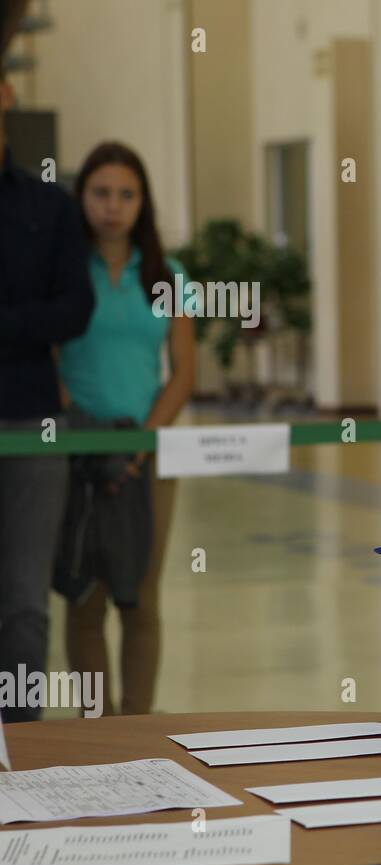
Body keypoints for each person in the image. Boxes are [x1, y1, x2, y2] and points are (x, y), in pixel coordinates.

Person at [59, 142, 195, 715]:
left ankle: (136, 724)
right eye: (100, 193)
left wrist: (140, 446)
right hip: (76, 450)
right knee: (85, 596)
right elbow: (45, 356)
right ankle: (96, 729)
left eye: (126, 194)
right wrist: (83, 428)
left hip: (150, 455)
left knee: (140, 598)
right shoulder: (61, 267)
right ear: (82, 197)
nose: (113, 207)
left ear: (143, 202)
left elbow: (185, 372)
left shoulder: (168, 275)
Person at [0, 0, 95, 723]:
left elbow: (74, 307)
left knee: (24, 601)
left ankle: (22, 745)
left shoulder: (48, 207)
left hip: (33, 423)